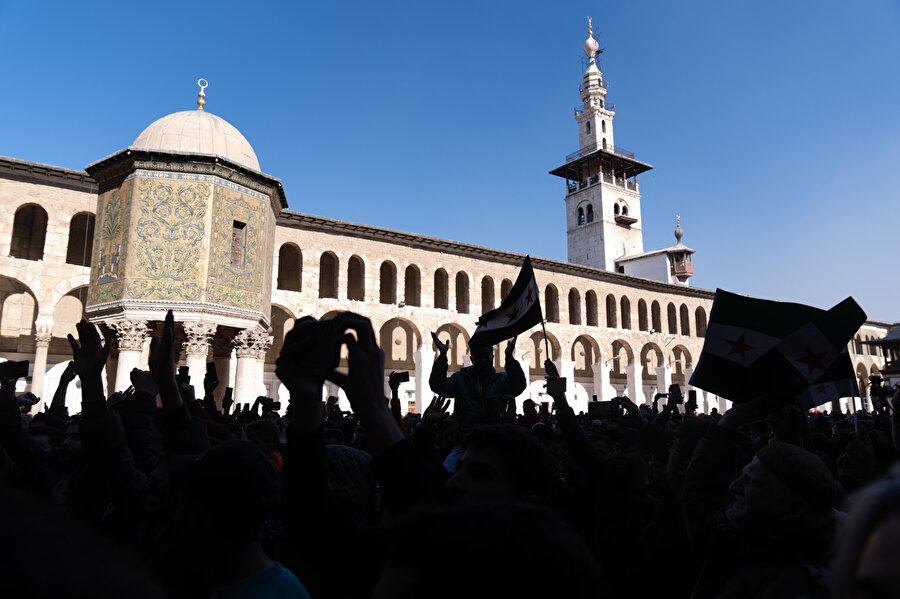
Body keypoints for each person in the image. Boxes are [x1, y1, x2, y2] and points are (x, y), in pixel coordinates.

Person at [682, 398, 837, 599]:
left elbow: (700, 497)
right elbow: (701, 496)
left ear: (794, 509)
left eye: (752, 482)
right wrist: (728, 424)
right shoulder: (742, 539)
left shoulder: (794, 586)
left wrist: (725, 427)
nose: (734, 487)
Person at [429, 332, 526, 472]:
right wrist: (442, 357)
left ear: (492, 357)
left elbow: (518, 386)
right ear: (472, 359)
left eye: (487, 356)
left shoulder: (502, 380)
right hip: (465, 443)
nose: (483, 360)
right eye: (479, 357)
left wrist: (509, 359)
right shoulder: (460, 379)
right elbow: (439, 386)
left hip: (494, 442)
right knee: (447, 473)